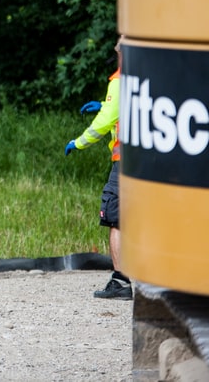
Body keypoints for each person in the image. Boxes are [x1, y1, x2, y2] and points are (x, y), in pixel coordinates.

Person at [64, 36, 131, 300]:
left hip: (125, 162)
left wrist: (78, 143)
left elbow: (104, 123)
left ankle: (120, 281)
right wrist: (105, 104)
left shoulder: (120, 79)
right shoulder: (150, 77)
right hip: (149, 163)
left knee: (116, 218)